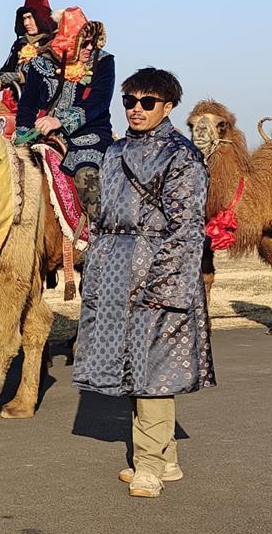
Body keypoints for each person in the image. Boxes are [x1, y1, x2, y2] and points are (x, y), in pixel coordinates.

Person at [72, 68, 213, 498]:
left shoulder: (181, 157)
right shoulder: (114, 153)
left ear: (167, 107)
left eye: (147, 102)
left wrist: (165, 286)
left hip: (156, 270)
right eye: (129, 100)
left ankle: (148, 466)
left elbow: (187, 228)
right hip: (114, 270)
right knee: (130, 367)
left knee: (153, 369)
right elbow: (102, 220)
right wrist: (94, 270)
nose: (136, 108)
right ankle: (166, 459)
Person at [17, 7, 117, 218]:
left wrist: (60, 120)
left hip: (90, 135)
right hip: (46, 136)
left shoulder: (104, 62)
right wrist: (22, 135)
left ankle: (100, 237)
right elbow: (27, 104)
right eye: (85, 43)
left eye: (93, 42)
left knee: (86, 178)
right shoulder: (39, 63)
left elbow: (99, 101)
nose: (90, 48)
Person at [0, 0, 57, 90]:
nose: (26, 23)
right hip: (16, 97)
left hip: (42, 100)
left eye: (30, 18)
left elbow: (52, 73)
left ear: (40, 18)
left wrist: (21, 76)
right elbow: (8, 67)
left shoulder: (53, 43)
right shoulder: (20, 44)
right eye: (24, 18)